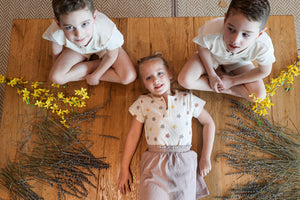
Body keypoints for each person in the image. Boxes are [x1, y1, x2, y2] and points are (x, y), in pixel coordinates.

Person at [117, 53, 215, 199]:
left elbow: (209, 123)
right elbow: (133, 135)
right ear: (143, 83)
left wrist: (205, 157)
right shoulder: (143, 103)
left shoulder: (187, 99)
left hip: (184, 162)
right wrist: (124, 168)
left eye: (160, 73)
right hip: (154, 163)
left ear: (169, 73)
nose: (156, 79)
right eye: (148, 77)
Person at [178, 0, 275, 101]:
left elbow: (264, 71)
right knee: (184, 80)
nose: (235, 41)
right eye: (231, 29)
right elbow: (202, 47)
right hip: (212, 56)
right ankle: (219, 81)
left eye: (245, 35)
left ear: (259, 34)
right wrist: (211, 74)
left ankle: (225, 86)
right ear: (225, 20)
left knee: (259, 96)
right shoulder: (211, 30)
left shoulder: (263, 46)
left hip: (239, 62)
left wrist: (232, 81)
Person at [43, 0, 136, 85]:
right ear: (58, 24)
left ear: (94, 17)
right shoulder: (56, 30)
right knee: (56, 78)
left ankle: (89, 67)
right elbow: (56, 51)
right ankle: (92, 65)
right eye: (69, 27)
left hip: (104, 49)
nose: (79, 34)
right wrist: (58, 67)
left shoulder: (107, 32)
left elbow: (111, 56)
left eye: (84, 24)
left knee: (128, 77)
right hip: (76, 49)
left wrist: (96, 75)